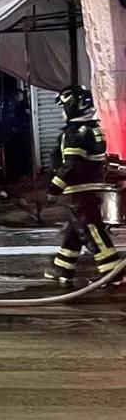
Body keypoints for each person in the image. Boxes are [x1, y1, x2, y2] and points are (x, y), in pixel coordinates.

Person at [45, 86, 121, 286]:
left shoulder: (75, 133)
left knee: (91, 231)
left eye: (64, 106)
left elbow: (71, 165)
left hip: (80, 191)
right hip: (90, 189)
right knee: (75, 230)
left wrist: (54, 188)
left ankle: (111, 272)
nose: (62, 112)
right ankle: (62, 268)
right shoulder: (92, 127)